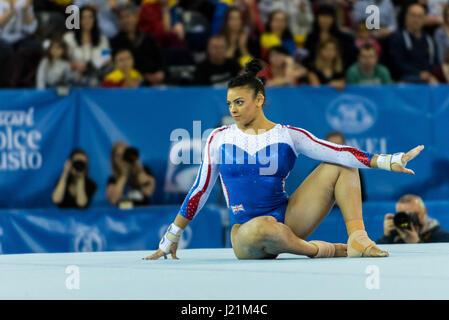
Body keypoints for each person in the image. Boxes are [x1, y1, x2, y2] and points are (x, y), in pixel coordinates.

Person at [144, 59, 424, 261]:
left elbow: (339, 151)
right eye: (229, 103)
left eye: (239, 102)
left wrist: (389, 160)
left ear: (259, 99)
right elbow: (200, 190)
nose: (233, 109)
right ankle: (320, 250)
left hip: (287, 220)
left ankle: (358, 239)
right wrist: (172, 236)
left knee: (341, 166)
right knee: (265, 228)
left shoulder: (289, 135)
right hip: (245, 233)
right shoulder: (218, 138)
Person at [111, 3, 165, 87]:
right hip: (128, 83)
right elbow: (115, 66)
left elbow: (159, 60)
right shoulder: (115, 42)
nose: (125, 20)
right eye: (121, 18)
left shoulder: (148, 38)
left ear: (135, 17)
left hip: (153, 82)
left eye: (128, 16)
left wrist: (160, 73)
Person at [387, 3, 439, 83]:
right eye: (413, 15)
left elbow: (435, 63)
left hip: (428, 79)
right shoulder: (396, 38)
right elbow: (397, 64)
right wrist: (419, 74)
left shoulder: (429, 40)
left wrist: (428, 74)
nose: (416, 19)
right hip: (405, 80)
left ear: (424, 19)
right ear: (406, 17)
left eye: (420, 16)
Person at [63, 5, 112, 87]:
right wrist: (74, 65)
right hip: (75, 77)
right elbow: (63, 59)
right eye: (83, 18)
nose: (87, 21)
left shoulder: (102, 40)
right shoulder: (69, 38)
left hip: (97, 76)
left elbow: (106, 56)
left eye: (90, 17)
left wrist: (99, 64)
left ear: (94, 20)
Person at [377, 194, 449, 244]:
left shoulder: (441, 237)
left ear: (425, 212)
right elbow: (376, 260)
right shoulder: (394, 236)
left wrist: (416, 243)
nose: (409, 219)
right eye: (404, 215)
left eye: (413, 215)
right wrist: (386, 236)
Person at [106, 141, 156, 207]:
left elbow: (148, 192)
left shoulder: (144, 170)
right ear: (114, 159)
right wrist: (124, 175)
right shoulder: (113, 179)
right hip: (122, 215)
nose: (121, 159)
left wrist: (137, 169)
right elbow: (113, 200)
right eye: (118, 156)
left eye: (124, 155)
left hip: (143, 213)